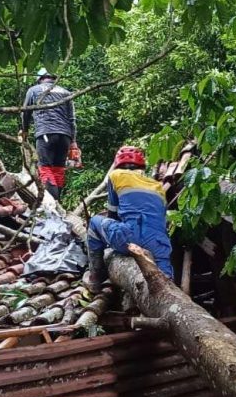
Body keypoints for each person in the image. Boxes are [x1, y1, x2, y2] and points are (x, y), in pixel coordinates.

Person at [85, 146, 173, 291]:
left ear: (118, 164)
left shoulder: (116, 175)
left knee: (94, 222)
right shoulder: (157, 186)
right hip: (159, 243)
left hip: (129, 237)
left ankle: (96, 277)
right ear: (142, 167)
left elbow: (112, 213)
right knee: (167, 282)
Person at [19, 69, 79, 201]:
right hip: (65, 137)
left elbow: (25, 112)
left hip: (46, 133)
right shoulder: (66, 92)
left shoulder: (34, 90)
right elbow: (72, 120)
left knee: (46, 168)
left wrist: (24, 131)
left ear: (40, 78)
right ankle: (57, 202)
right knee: (58, 169)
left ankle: (52, 205)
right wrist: (73, 141)